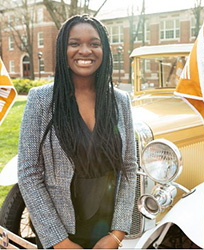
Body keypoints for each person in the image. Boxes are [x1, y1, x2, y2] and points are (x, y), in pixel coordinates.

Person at [18, 14, 137, 249]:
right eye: (75, 43)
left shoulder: (120, 101)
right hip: (60, 233)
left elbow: (130, 168)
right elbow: (28, 174)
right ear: (63, 49)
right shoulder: (41, 100)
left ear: (104, 50)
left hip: (107, 233)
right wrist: (60, 242)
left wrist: (116, 235)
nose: (85, 51)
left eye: (94, 43)